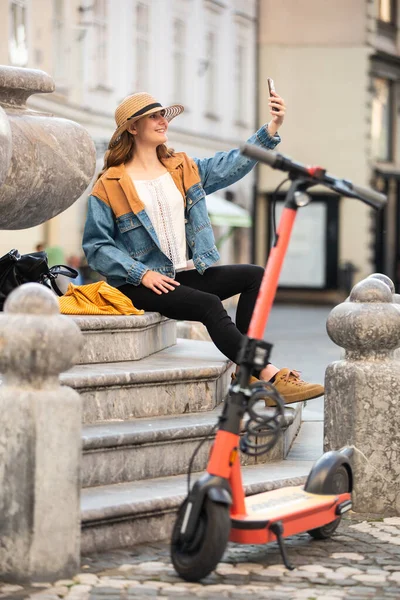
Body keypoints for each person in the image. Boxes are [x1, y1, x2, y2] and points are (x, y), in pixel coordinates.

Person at [83, 91, 324, 405]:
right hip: (137, 284)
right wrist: (141, 274)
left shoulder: (181, 168)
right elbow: (96, 246)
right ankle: (267, 374)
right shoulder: (110, 184)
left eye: (163, 115)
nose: (162, 120)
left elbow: (232, 164)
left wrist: (272, 127)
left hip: (179, 275)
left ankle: (244, 370)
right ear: (132, 128)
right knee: (210, 304)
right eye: (154, 116)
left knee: (255, 276)